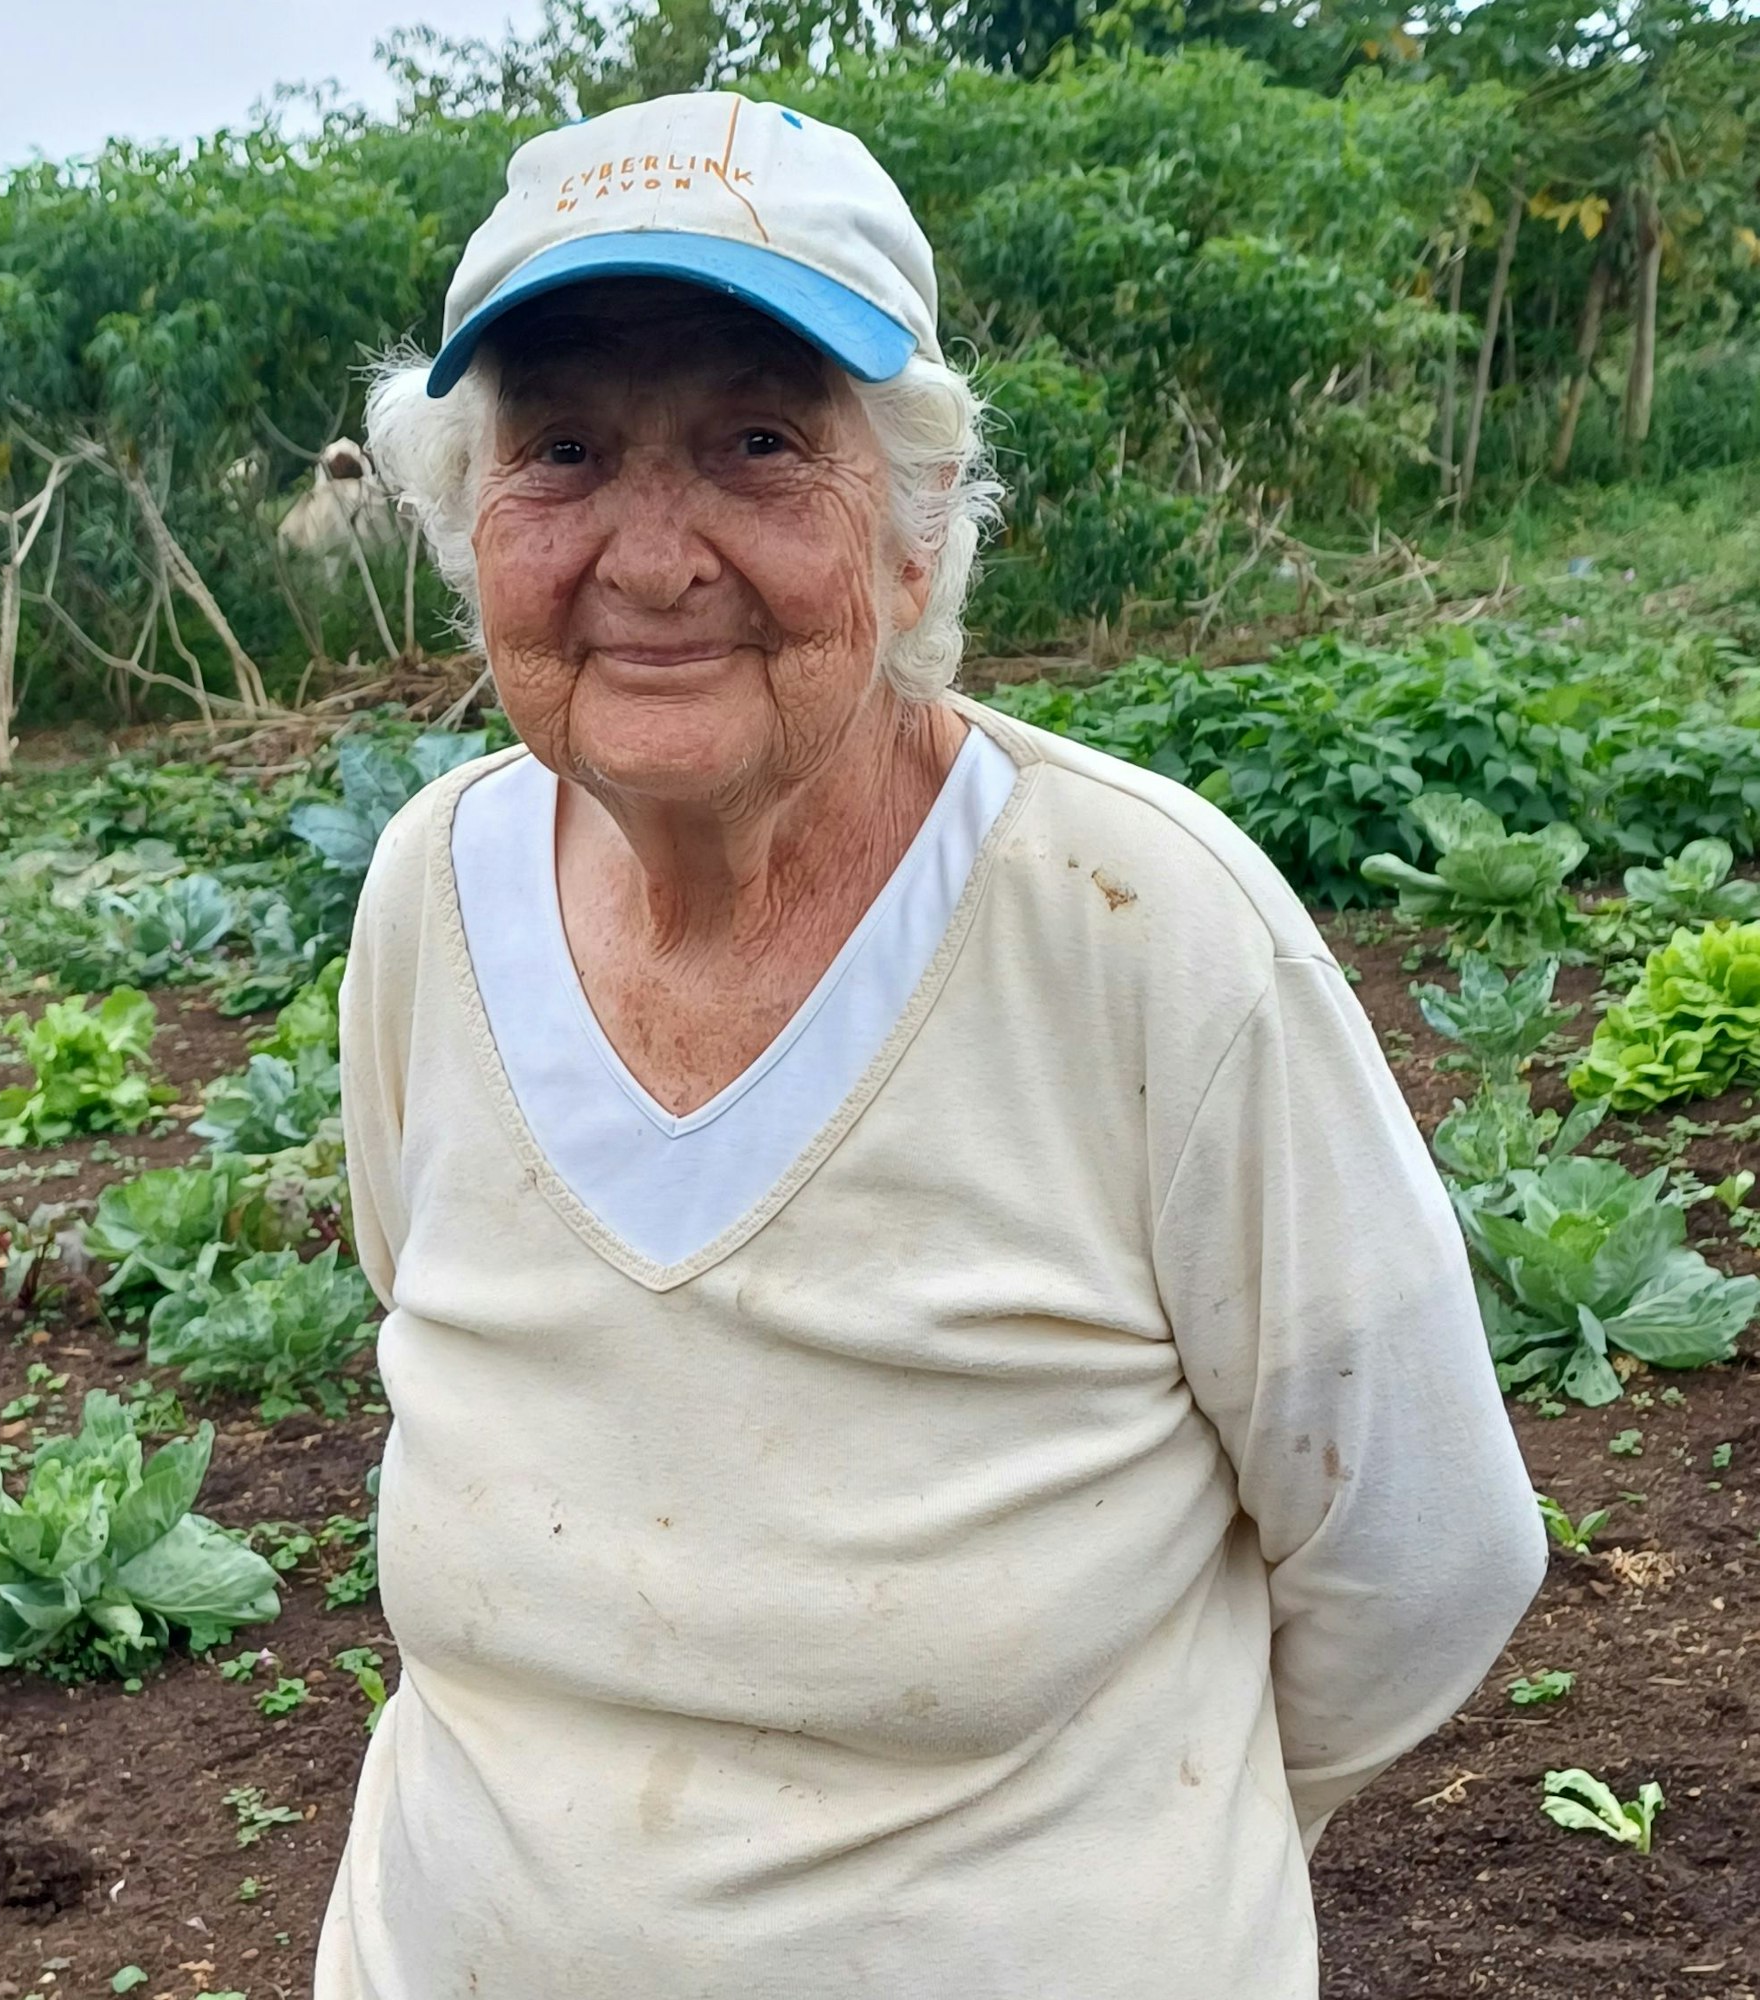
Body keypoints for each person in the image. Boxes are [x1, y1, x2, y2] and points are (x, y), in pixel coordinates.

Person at [314, 87, 1548, 2000]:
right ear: (470, 523)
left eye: (754, 442)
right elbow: (424, 1304)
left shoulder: (1144, 933)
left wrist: (1134, 1850)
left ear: (908, 528)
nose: (649, 556)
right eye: (560, 449)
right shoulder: (431, 892)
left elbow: (1428, 1555)